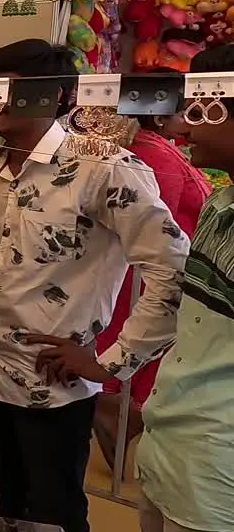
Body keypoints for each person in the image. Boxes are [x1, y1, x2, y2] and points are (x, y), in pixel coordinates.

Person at [0, 40, 187, 532]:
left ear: (57, 96)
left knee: (55, 509)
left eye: (10, 90)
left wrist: (110, 362)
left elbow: (172, 268)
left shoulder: (102, 168)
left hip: (54, 382)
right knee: (6, 498)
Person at [135, 44, 234, 532]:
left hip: (217, 472)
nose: (187, 125)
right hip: (171, 446)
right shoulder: (220, 205)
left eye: (203, 109)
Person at [93, 103, 210, 472]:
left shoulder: (161, 147)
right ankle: (114, 412)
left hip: (160, 275)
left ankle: (119, 415)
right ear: (160, 116)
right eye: (186, 114)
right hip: (151, 279)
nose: (189, 126)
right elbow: (161, 226)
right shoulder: (151, 153)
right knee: (148, 350)